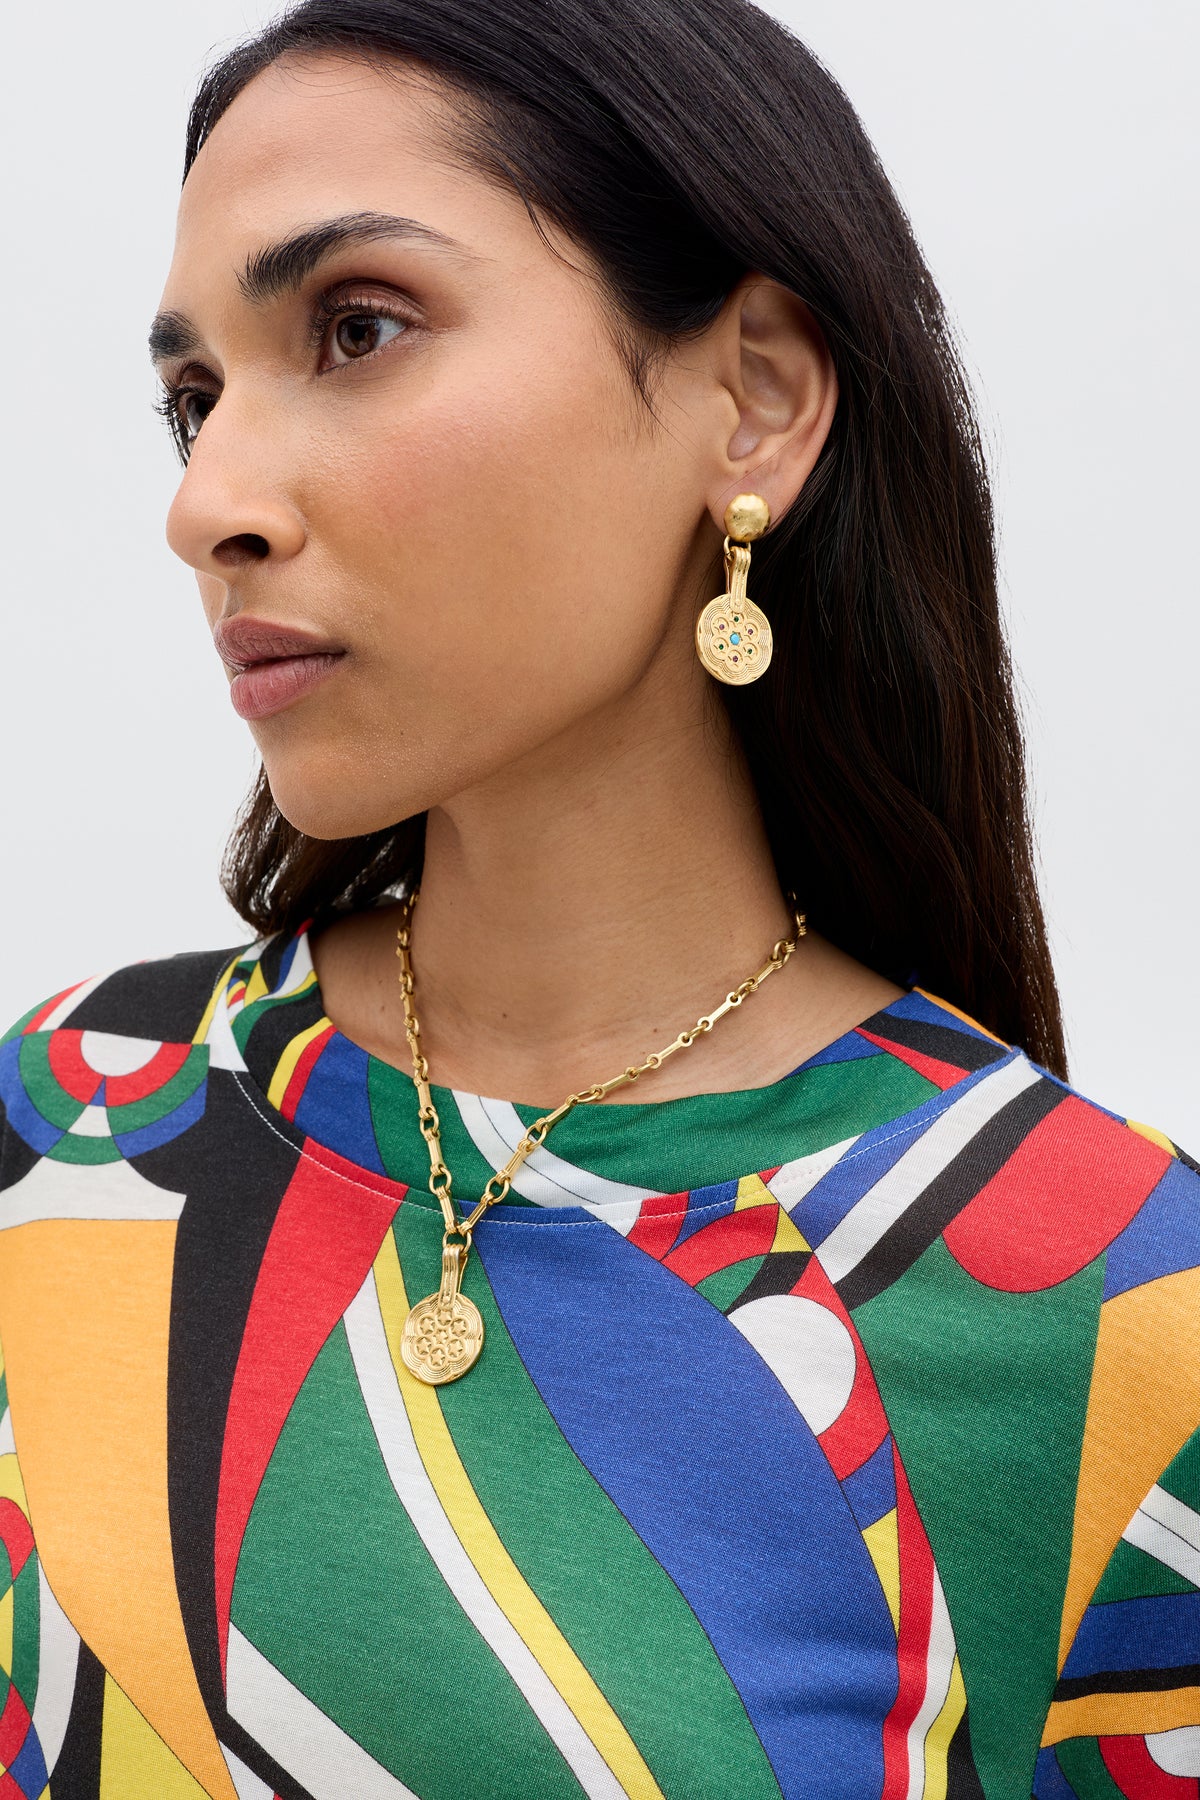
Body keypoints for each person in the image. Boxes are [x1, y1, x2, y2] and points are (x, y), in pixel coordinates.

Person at [0, 1, 1195, 1795]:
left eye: (358, 327)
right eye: (196, 396)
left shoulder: (1116, 1315)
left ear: (757, 400)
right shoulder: (66, 1135)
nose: (209, 499)